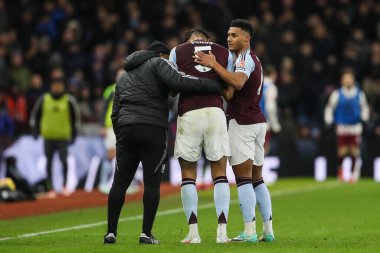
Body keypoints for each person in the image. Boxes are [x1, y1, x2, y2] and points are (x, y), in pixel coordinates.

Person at [104, 40, 224, 245]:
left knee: (120, 181)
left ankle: (111, 233)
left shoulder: (123, 77)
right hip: (152, 129)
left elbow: (115, 113)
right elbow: (179, 81)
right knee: (151, 183)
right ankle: (145, 234)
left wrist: (121, 134)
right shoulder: (160, 63)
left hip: (126, 130)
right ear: (161, 55)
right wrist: (214, 85)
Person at [195, 19, 275, 242]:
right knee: (258, 180)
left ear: (246, 38)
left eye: (234, 35)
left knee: (243, 179)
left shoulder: (243, 59)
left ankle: (249, 232)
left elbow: (238, 83)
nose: (229, 38)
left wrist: (214, 65)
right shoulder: (252, 59)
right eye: (228, 35)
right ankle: (268, 231)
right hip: (257, 121)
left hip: (242, 123)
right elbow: (230, 93)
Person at [169, 28, 233, 244]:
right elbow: (230, 89)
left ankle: (193, 233)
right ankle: (222, 233)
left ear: (187, 41)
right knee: (220, 172)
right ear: (208, 40)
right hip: (215, 112)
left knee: (188, 173)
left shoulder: (177, 51)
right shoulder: (223, 52)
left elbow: (171, 88)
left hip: (189, 113)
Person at [30, 68, 80, 198]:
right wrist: (34, 131)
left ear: (63, 87)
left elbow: (76, 118)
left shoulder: (69, 100)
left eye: (59, 85)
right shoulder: (44, 99)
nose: (57, 88)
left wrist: (74, 134)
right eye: (55, 85)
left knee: (64, 161)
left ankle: (64, 186)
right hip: (48, 136)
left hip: (62, 137)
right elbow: (35, 116)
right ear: (51, 87)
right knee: (49, 162)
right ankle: (50, 188)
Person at [324, 70, 369, 182]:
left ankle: (355, 173)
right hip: (342, 126)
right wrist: (329, 120)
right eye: (346, 78)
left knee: (354, 150)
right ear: (342, 80)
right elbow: (329, 108)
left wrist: (364, 118)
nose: (348, 80)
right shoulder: (337, 94)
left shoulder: (359, 94)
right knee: (342, 150)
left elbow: (364, 107)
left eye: (350, 78)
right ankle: (341, 171)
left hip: (355, 126)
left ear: (353, 80)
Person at [259, 65, 281, 154]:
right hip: (265, 123)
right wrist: (275, 125)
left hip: (252, 122)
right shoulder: (271, 87)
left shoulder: (257, 85)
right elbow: (270, 108)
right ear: (273, 74)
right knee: (263, 152)